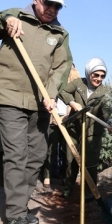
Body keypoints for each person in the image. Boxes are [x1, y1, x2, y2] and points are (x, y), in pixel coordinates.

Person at [0, 0, 73, 224]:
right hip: (10, 98)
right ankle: (16, 215)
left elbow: (61, 67)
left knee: (37, 156)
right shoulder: (15, 18)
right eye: (48, 3)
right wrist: (4, 19)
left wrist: (50, 94)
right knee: (16, 155)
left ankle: (20, 204)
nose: (52, 9)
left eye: (57, 6)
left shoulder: (59, 34)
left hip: (40, 103)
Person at [60, 58, 111, 200]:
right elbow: (63, 91)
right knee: (72, 159)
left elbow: (107, 111)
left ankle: (90, 191)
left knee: (91, 162)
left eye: (102, 76)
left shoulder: (105, 91)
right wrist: (72, 103)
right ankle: (69, 188)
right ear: (89, 73)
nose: (99, 79)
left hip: (92, 132)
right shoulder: (78, 83)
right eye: (96, 75)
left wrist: (111, 123)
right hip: (74, 129)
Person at [40, 64, 81, 192]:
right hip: (54, 118)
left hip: (68, 119)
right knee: (51, 148)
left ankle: (64, 175)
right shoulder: (55, 80)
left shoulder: (74, 82)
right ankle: (46, 176)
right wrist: (53, 116)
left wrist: (67, 117)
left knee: (66, 150)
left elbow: (73, 102)